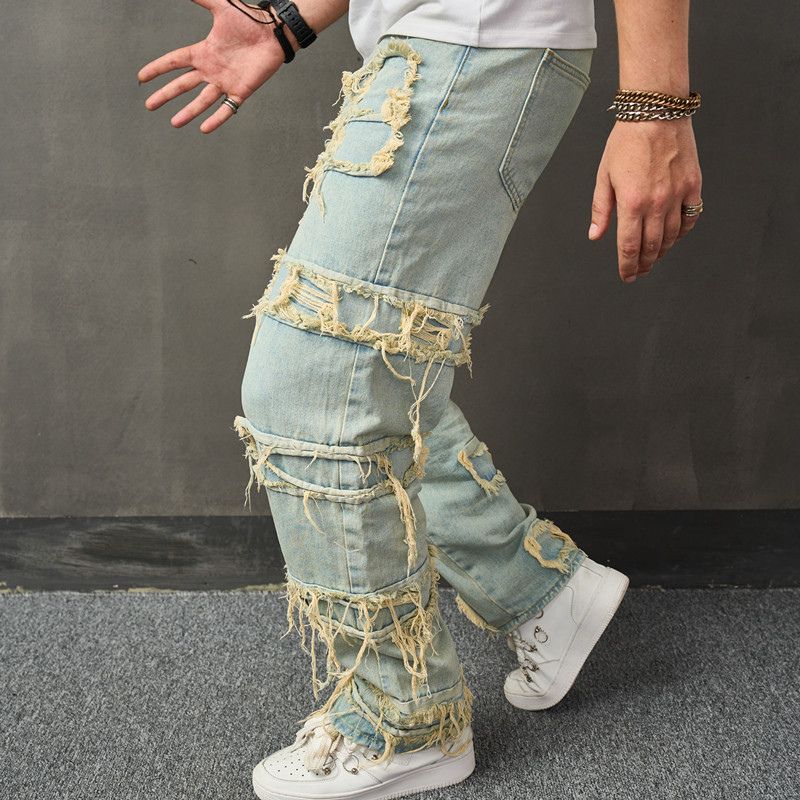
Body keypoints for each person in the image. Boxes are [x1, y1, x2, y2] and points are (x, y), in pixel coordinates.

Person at [139, 0, 702, 797]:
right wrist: (290, 22)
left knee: (314, 389)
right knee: (377, 380)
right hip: (442, 44)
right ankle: (538, 591)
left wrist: (657, 107)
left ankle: (405, 722)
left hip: (478, 42)